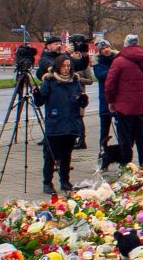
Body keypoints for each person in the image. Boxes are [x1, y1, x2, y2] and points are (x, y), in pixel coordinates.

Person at [35, 53, 89, 193]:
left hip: (70, 123)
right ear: (58, 67)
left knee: (66, 155)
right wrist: (37, 94)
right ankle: (47, 183)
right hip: (55, 123)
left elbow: (79, 99)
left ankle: (65, 181)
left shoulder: (74, 81)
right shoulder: (50, 81)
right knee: (50, 155)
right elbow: (39, 102)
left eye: (68, 66)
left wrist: (83, 101)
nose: (66, 69)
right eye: (63, 66)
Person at [104, 32, 143, 166]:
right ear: (137, 44)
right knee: (140, 137)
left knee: (125, 138)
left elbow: (110, 84)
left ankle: (126, 165)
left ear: (125, 45)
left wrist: (110, 101)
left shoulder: (119, 61)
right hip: (139, 106)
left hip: (123, 107)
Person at [92, 39, 116, 161]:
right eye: (103, 49)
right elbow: (101, 75)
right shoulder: (97, 62)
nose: (106, 50)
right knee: (104, 131)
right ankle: (102, 155)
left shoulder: (117, 57)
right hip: (105, 99)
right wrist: (115, 71)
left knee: (121, 129)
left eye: (107, 47)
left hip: (117, 99)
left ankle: (122, 154)